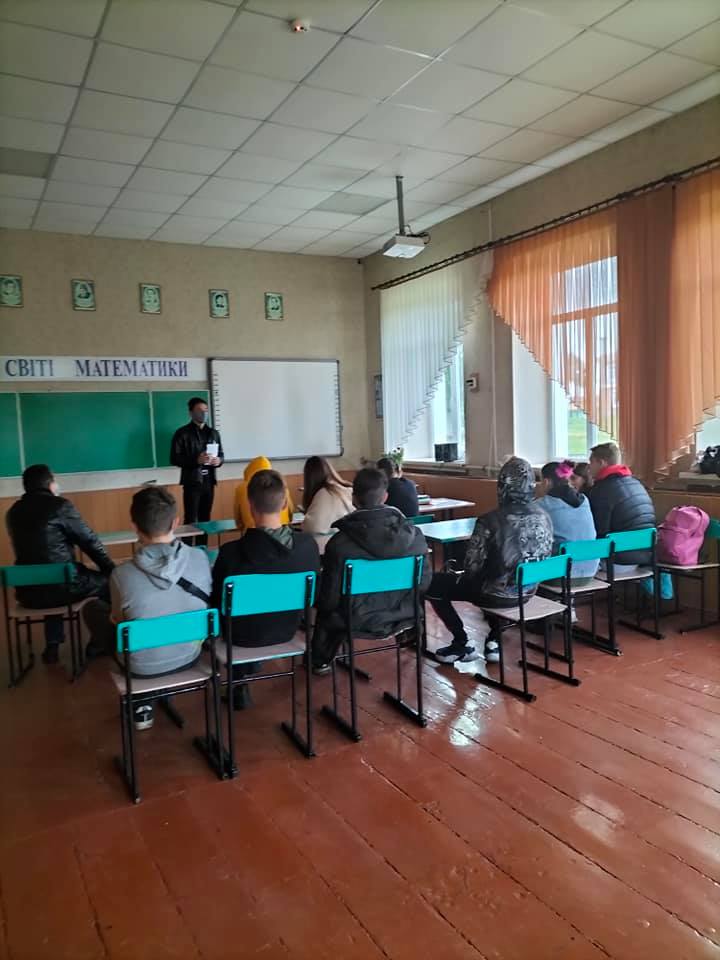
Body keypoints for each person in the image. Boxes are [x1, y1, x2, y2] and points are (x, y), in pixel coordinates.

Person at [83, 486, 212, 730]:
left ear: (134, 526)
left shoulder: (121, 574)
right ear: (176, 522)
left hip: (140, 669)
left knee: (94, 610)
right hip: (190, 655)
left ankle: (142, 701)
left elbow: (118, 622)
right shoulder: (200, 558)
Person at [426, 457, 553, 664]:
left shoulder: (488, 520)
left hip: (492, 594)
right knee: (498, 573)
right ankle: (494, 640)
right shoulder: (544, 516)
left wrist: (457, 572)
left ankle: (461, 642)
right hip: (528, 591)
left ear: (502, 486)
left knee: (432, 583)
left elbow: (471, 569)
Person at [212, 469, 320, 709]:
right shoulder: (307, 546)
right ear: (284, 504)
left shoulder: (230, 553)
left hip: (239, 638)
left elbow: (217, 602)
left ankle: (238, 683)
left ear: (250, 506)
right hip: (287, 631)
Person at [313, 467, 431, 672]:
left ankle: (321, 661)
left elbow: (330, 599)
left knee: (326, 610)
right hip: (404, 615)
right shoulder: (415, 537)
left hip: (354, 618)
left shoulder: (339, 544)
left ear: (353, 499)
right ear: (385, 497)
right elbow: (423, 584)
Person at [5, 463, 114, 664]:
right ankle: (99, 643)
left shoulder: (13, 512)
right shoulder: (60, 506)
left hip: (28, 592)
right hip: (63, 588)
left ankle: (52, 645)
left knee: (49, 575)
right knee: (109, 584)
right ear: (49, 483)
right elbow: (89, 541)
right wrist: (110, 569)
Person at [588, 442, 656, 570]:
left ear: (601, 463)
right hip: (645, 556)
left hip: (617, 560)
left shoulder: (603, 489)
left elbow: (597, 530)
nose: (589, 468)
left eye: (591, 463)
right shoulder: (636, 483)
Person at [536, 461, 599, 580]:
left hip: (561, 575)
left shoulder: (541, 505)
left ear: (546, 482)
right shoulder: (585, 501)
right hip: (590, 571)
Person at [170, 397, 224, 527]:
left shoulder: (213, 433)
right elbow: (174, 458)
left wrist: (219, 460)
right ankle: (188, 541)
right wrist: (196, 460)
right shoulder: (182, 433)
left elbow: (221, 454)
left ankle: (202, 541)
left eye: (206, 410)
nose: (204, 413)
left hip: (209, 481)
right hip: (192, 482)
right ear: (191, 413)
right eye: (199, 410)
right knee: (191, 518)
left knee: (205, 518)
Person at [234, 456, 293, 532]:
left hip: (252, 533)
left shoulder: (241, 488)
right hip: (283, 531)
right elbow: (290, 513)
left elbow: (238, 521)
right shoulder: (281, 485)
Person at [301, 456, 353, 534]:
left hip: (333, 539)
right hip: (351, 537)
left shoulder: (323, 493)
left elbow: (311, 528)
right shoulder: (345, 488)